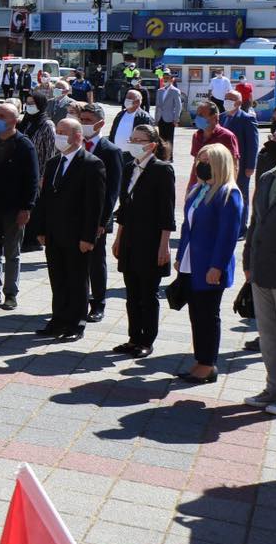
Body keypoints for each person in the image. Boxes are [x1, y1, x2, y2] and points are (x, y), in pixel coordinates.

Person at [30, 118, 106, 343]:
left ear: (77, 136)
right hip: (54, 233)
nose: (58, 136)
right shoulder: (54, 163)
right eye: (58, 132)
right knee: (58, 278)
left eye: (63, 132)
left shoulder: (92, 164)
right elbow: (45, 199)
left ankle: (76, 323)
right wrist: (41, 228)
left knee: (77, 279)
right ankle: (58, 320)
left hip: (77, 236)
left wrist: (88, 237)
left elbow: (95, 205)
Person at [176, 144, 243, 384]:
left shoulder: (228, 193)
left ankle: (208, 365)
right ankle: (200, 360)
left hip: (210, 267)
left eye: (205, 160)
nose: (199, 164)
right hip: (192, 264)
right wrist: (180, 256)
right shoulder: (199, 189)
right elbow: (187, 226)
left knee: (208, 315)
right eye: (198, 160)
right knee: (197, 315)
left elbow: (228, 236)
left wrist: (217, 266)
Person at [111, 124, 175, 358]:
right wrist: (118, 238)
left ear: (152, 144)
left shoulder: (162, 170)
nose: (134, 144)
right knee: (132, 294)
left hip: (151, 240)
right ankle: (133, 337)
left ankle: (147, 339)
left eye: (140, 140)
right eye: (133, 139)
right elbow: (124, 208)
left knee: (147, 294)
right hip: (130, 238)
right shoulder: (129, 168)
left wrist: (164, 244)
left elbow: (167, 212)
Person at [243, 121, 276, 415]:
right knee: (268, 334)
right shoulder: (267, 176)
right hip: (261, 267)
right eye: (274, 137)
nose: (275, 142)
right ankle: (272, 387)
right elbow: (255, 222)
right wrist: (248, 258)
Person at [0, 102, 39, 311]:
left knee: (12, 252)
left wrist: (26, 208)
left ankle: (10, 293)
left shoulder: (23, 144)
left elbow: (32, 179)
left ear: (14, 120)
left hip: (14, 209)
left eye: (3, 116)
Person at [75, 102, 124, 324]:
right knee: (76, 260)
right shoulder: (75, 145)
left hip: (98, 218)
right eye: (81, 120)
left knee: (96, 261)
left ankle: (98, 302)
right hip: (75, 214)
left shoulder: (110, 150)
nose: (83, 124)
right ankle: (78, 299)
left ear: (100, 123)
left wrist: (103, 220)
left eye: (87, 121)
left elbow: (113, 190)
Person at [219, 88, 259, 223]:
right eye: (226, 98)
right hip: (222, 164)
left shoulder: (247, 119)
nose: (227, 101)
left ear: (239, 102)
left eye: (230, 99)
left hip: (241, 166)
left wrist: (250, 166)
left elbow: (252, 144)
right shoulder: (221, 117)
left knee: (241, 195)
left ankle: (241, 226)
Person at [189, 98, 239, 191]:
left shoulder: (227, 136)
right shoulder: (196, 136)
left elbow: (234, 166)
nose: (198, 118)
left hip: (218, 188)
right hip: (199, 187)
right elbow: (195, 164)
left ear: (215, 117)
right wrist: (190, 188)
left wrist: (230, 190)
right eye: (197, 115)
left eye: (201, 115)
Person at [153, 74, 185, 148]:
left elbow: (178, 106)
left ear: (171, 80)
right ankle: (162, 157)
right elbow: (157, 106)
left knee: (169, 139)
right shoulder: (159, 91)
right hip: (160, 118)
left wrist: (176, 119)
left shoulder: (175, 91)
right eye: (164, 78)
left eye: (167, 78)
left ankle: (169, 158)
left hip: (170, 119)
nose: (165, 80)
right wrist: (156, 118)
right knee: (161, 139)